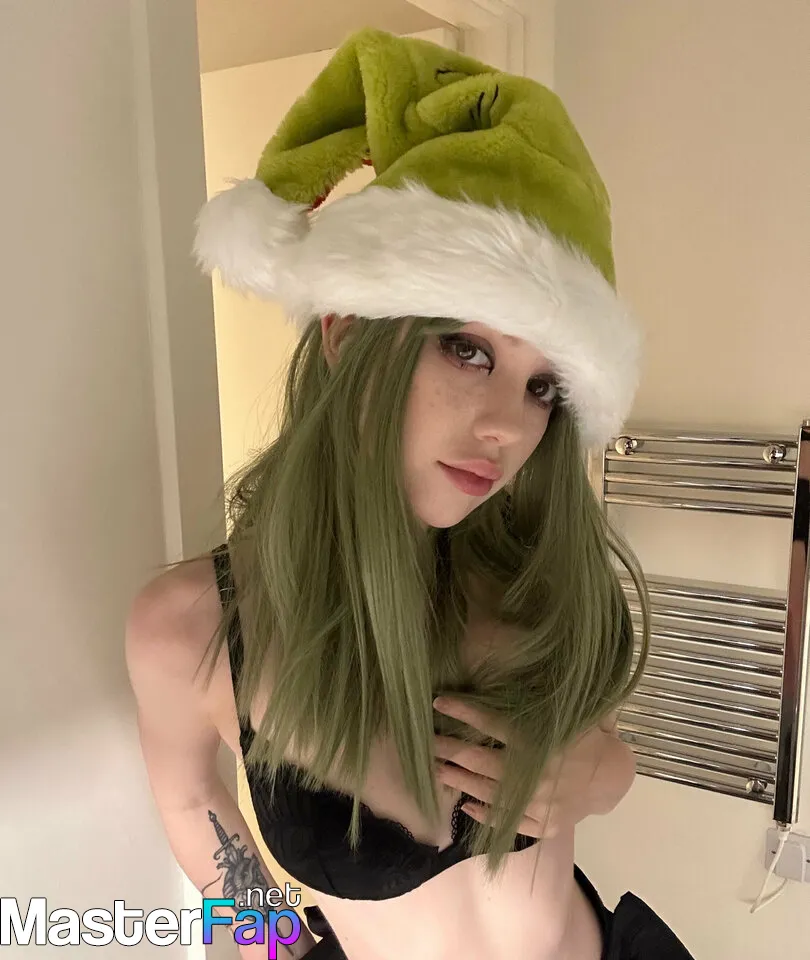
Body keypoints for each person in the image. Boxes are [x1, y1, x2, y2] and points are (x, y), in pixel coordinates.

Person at [125, 27, 696, 960]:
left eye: (542, 386)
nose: (509, 426)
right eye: (468, 349)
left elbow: (604, 752)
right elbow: (192, 802)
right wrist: (281, 951)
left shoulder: (535, 573)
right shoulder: (190, 628)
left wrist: (599, 773)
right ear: (348, 333)